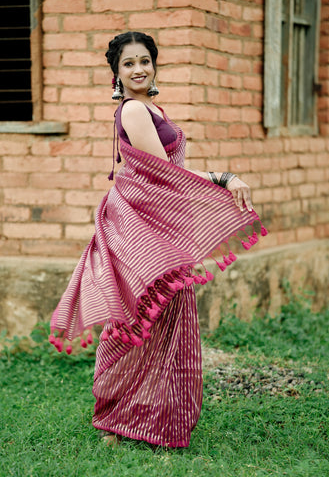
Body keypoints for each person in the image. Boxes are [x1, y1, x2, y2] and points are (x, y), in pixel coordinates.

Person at [49, 31, 267, 448]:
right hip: (138, 227)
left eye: (145, 61)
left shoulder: (152, 107)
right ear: (116, 72)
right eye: (129, 63)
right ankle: (119, 416)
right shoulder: (133, 111)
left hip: (157, 224)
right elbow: (166, 171)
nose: (138, 69)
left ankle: (146, 417)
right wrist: (223, 177)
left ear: (154, 64)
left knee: (163, 317)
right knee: (141, 315)